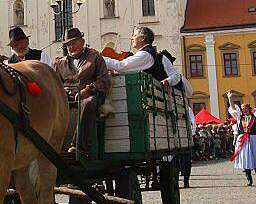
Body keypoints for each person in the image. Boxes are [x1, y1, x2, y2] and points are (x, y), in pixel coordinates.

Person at [104, 26, 194, 186]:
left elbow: (122, 66)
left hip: (150, 103)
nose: (132, 38)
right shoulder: (142, 55)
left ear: (142, 38)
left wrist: (99, 58)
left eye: (134, 35)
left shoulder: (147, 55)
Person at [54, 27, 110, 156]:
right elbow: (55, 85)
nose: (71, 47)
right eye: (68, 45)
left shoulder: (95, 57)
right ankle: (56, 145)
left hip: (91, 95)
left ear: (82, 42)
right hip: (66, 98)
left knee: (87, 103)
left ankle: (78, 146)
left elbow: (104, 81)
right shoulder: (59, 63)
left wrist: (88, 89)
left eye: (74, 43)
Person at [227, 91, 256, 186]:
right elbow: (233, 108)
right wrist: (230, 99)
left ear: (249, 109)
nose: (244, 110)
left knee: (255, 158)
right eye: (243, 109)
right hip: (243, 140)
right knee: (246, 159)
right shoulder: (239, 117)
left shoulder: (254, 117)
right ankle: (249, 179)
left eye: (246, 108)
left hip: (254, 139)